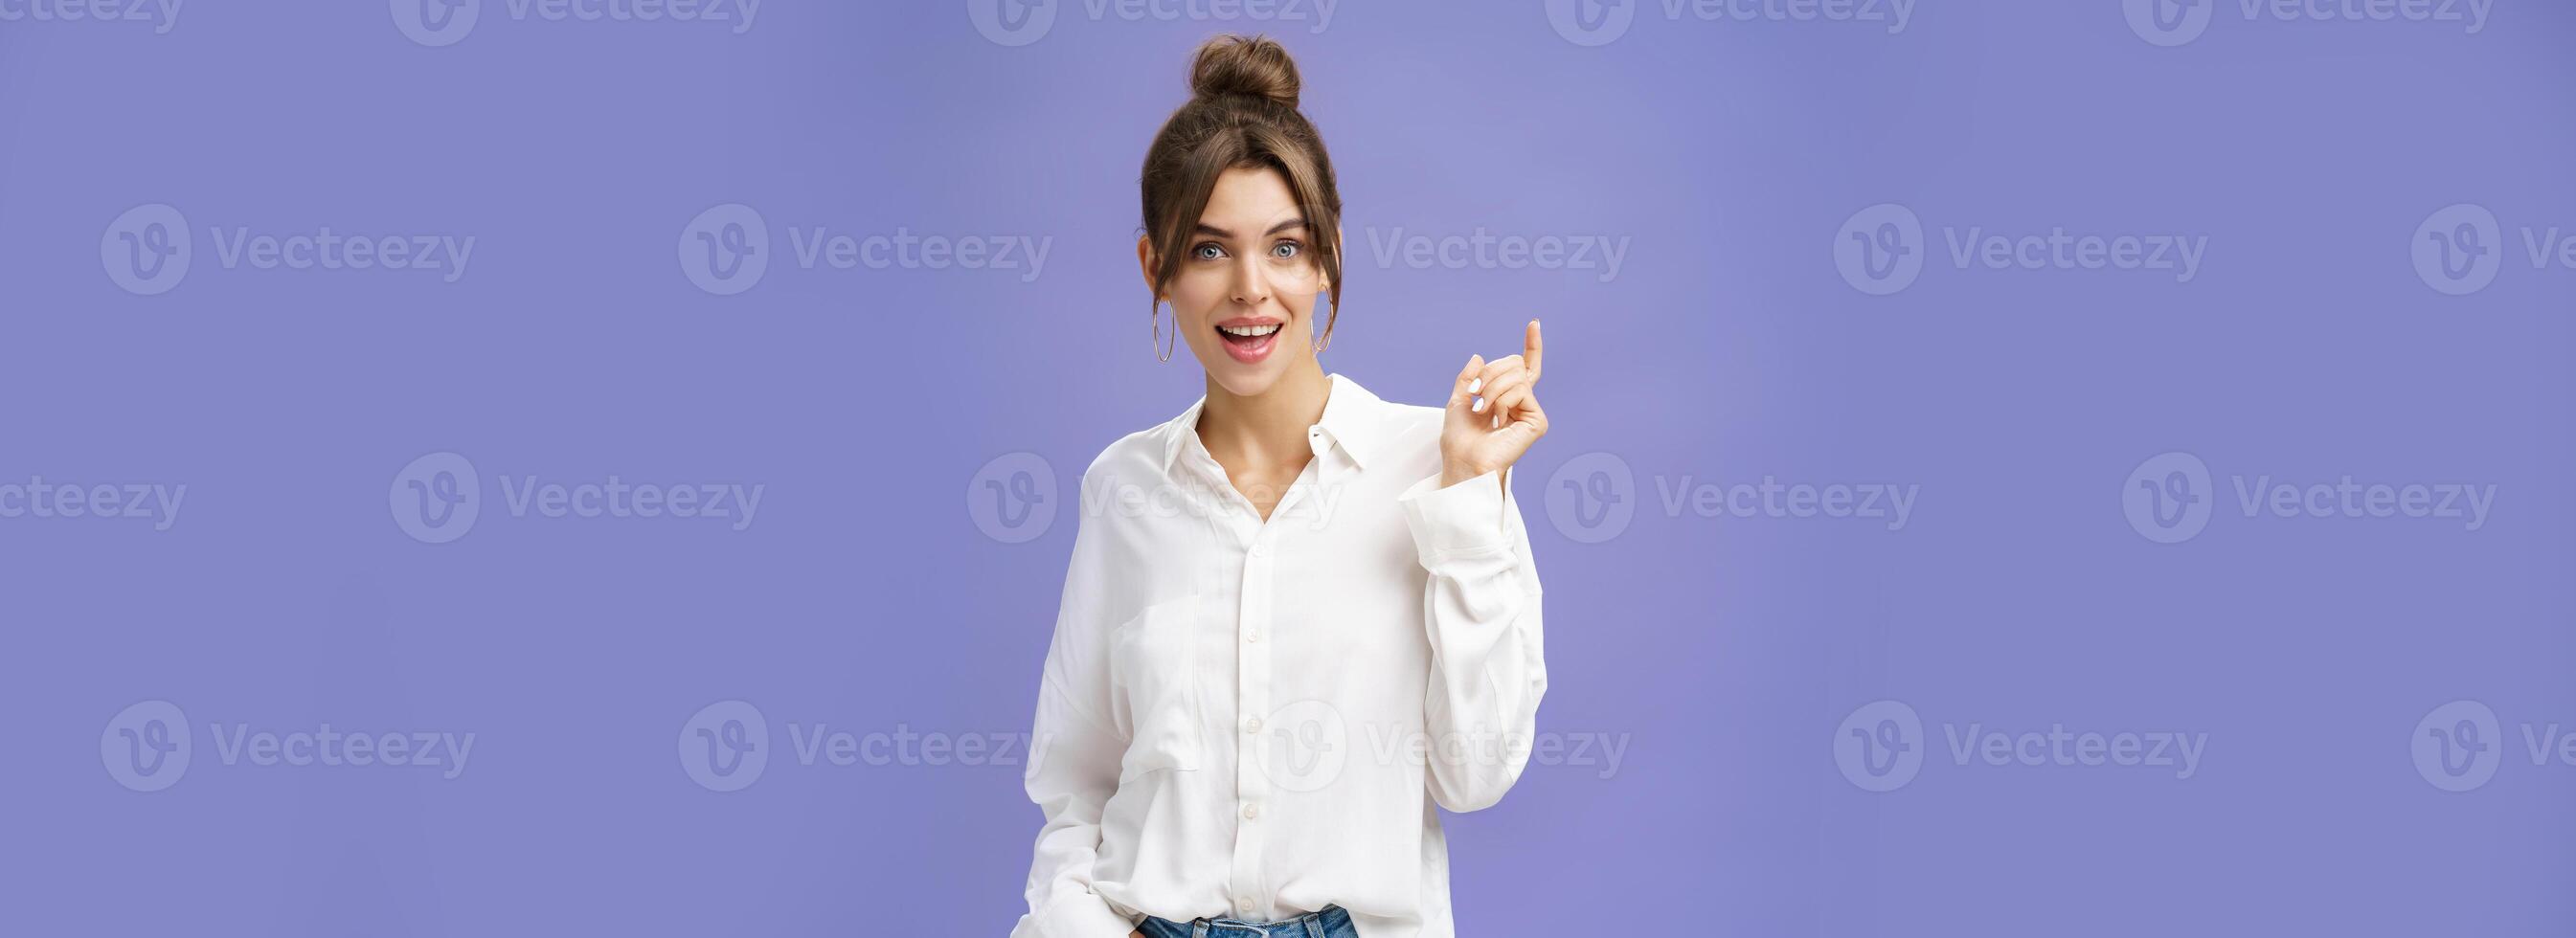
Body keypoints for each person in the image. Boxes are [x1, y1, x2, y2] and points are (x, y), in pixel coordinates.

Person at [1009, 34, 1552, 938]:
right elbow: (1076, 789)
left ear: (1328, 257)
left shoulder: (1436, 465)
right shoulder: (1124, 490)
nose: (1251, 291)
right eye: (1211, 251)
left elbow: (1478, 771)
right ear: (1158, 269)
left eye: (1286, 247)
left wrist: (1467, 501)